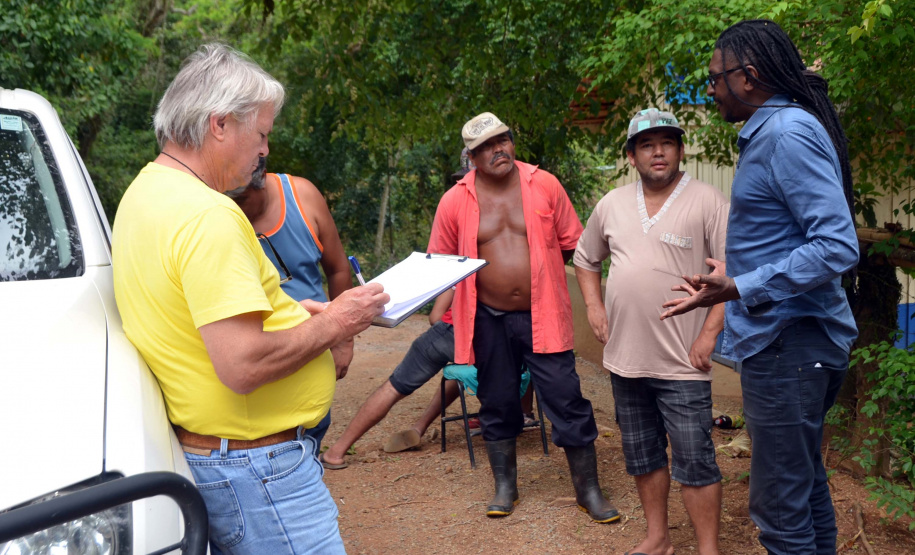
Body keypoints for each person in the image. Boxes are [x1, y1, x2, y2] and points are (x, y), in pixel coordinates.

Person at [111, 43, 389, 554]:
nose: (266, 149)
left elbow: (191, 314)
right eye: (261, 133)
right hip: (258, 472)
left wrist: (295, 315)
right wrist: (338, 321)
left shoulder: (145, 193)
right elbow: (241, 364)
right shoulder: (209, 215)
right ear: (220, 125)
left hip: (220, 458)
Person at [660, 20, 859, 555]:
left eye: (715, 78)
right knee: (803, 485)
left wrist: (740, 284)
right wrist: (736, 271)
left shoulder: (784, 134)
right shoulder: (777, 132)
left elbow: (837, 246)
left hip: (790, 344)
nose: (710, 88)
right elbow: (794, 236)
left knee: (778, 507)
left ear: (747, 77)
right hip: (793, 342)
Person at [427, 112, 619, 522]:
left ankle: (588, 491)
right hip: (487, 319)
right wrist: (436, 309)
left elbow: (577, 247)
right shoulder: (454, 201)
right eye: (484, 147)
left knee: (566, 399)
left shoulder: (544, 184)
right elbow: (441, 263)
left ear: (512, 142)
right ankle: (505, 486)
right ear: (471, 157)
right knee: (496, 401)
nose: (497, 150)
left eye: (502, 140)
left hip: (543, 313)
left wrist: (593, 296)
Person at [575, 108, 728, 555]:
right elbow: (586, 259)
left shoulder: (708, 201)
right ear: (631, 155)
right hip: (626, 358)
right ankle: (658, 538)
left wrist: (709, 333)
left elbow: (730, 273)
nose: (657, 151)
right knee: (642, 456)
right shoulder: (612, 204)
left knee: (695, 460)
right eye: (646, 144)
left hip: (684, 358)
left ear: (680, 150)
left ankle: (707, 549)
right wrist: (594, 307)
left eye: (666, 142)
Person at [227, 157, 354, 452]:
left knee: (311, 435)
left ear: (261, 182)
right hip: (257, 348)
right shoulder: (220, 214)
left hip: (311, 346)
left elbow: (337, 268)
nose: (234, 208)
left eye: (241, 199)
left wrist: (344, 341)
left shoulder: (303, 197)